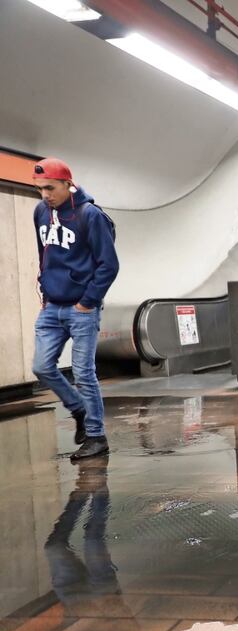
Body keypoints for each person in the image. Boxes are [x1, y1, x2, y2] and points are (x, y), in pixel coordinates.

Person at [31, 157, 119, 460]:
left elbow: (109, 265)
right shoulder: (41, 212)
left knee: (83, 373)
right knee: (41, 367)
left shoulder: (90, 215)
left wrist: (87, 302)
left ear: (68, 184)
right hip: (52, 308)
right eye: (40, 189)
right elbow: (45, 255)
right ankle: (79, 409)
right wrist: (45, 292)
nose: (45, 195)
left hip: (81, 308)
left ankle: (96, 437)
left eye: (50, 188)